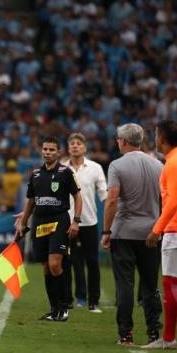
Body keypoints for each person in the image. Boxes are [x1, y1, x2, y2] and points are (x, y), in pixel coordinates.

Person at [101, 123, 162, 345]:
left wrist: (106, 231)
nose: (117, 142)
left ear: (124, 141)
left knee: (124, 285)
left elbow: (112, 200)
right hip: (152, 233)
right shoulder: (159, 165)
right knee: (150, 285)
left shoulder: (116, 166)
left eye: (118, 138)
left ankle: (125, 334)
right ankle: (155, 332)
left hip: (124, 232)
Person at [15, 136, 82, 321]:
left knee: (55, 264)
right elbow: (31, 201)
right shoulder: (35, 174)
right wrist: (23, 222)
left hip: (59, 221)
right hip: (40, 223)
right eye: (45, 149)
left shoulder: (65, 172)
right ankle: (54, 310)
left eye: (52, 150)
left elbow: (77, 197)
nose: (47, 152)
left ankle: (64, 306)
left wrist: (76, 220)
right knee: (45, 267)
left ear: (59, 153)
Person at [143, 120, 177, 350]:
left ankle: (168, 339)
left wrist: (157, 230)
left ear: (161, 138)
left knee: (170, 285)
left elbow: (174, 200)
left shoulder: (173, 163)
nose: (155, 139)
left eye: (155, 134)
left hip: (174, 232)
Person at [63, 133, 107, 313]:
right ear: (68, 148)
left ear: (85, 148)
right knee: (67, 262)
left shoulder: (95, 168)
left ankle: (93, 302)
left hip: (89, 222)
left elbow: (104, 194)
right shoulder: (61, 169)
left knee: (92, 262)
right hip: (66, 222)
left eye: (79, 143)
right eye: (72, 143)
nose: (75, 146)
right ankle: (68, 300)